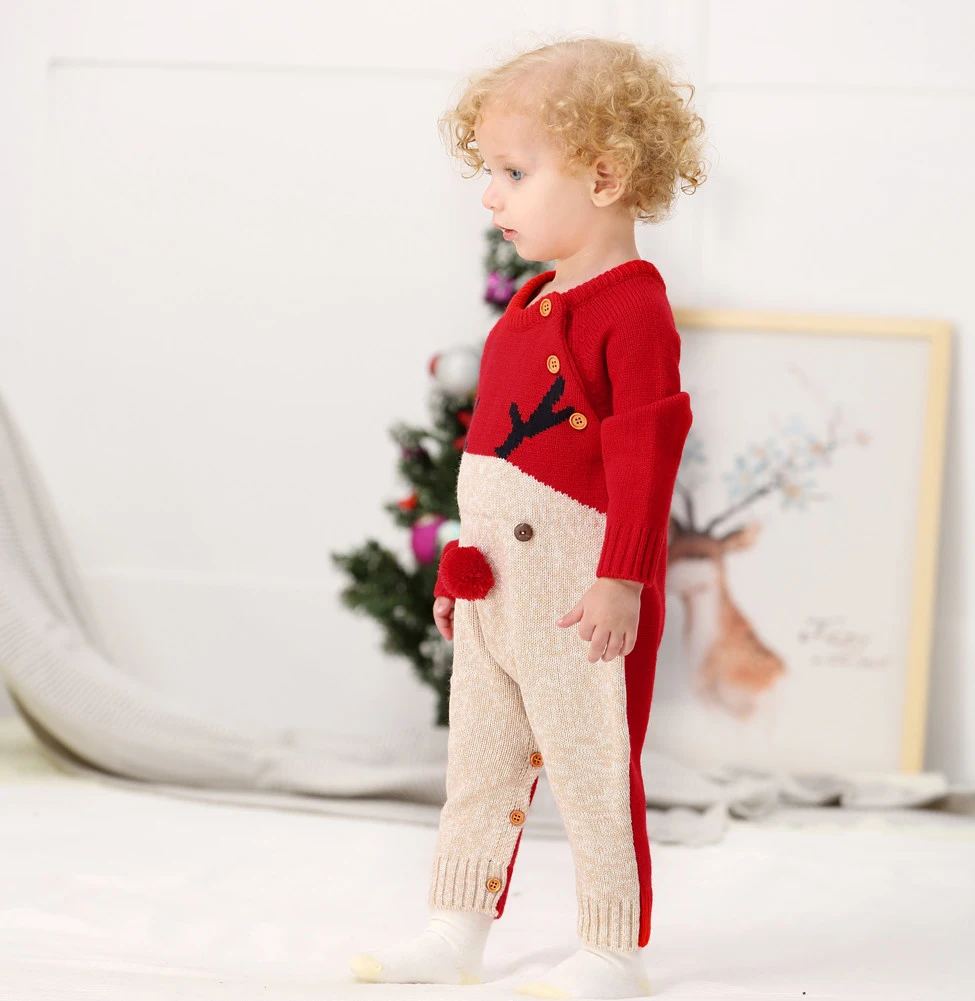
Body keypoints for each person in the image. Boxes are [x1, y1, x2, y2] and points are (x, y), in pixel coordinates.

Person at [349, 34, 707, 1000]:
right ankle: (453, 929)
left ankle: (611, 949)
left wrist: (620, 576)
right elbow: (488, 458)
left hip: (579, 591)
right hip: (495, 591)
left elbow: (645, 452)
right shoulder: (529, 301)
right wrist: (459, 566)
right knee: (479, 762)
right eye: (490, 172)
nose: (489, 196)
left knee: (593, 766)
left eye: (513, 172)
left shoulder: (632, 309)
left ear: (603, 176)